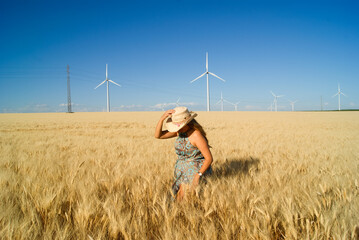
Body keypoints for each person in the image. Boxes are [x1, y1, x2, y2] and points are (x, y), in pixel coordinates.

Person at [154, 106, 213, 201]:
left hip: (194, 170)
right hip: (181, 170)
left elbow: (209, 158)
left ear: (188, 123)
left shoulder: (196, 135)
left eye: (180, 126)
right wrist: (162, 118)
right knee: (176, 198)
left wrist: (198, 176)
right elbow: (158, 135)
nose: (178, 128)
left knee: (181, 199)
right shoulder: (179, 132)